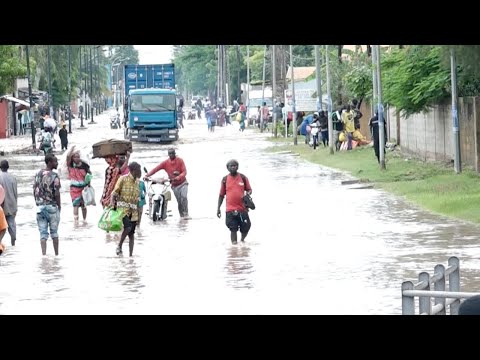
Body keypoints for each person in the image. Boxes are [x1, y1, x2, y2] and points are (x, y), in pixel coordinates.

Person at [145, 148, 189, 219]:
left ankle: (186, 214)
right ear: (168, 155)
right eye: (170, 153)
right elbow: (156, 169)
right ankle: (182, 217)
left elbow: (184, 172)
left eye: (173, 153)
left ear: (175, 153)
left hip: (183, 183)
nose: (171, 155)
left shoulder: (180, 161)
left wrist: (179, 177)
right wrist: (147, 175)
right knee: (179, 201)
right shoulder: (165, 163)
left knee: (184, 197)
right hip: (174, 185)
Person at [217, 159, 252, 245]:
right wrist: (218, 208)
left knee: (246, 227)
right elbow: (221, 195)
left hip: (242, 209)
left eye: (235, 165)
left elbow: (249, 189)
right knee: (233, 229)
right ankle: (234, 246)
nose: (233, 167)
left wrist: (248, 194)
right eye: (231, 166)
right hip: (230, 210)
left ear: (238, 167)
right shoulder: (225, 180)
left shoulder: (243, 178)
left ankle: (242, 240)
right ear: (227, 168)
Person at [110, 162, 141, 257]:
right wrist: (112, 205)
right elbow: (114, 193)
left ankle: (131, 257)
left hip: (133, 212)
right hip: (123, 210)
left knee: (131, 235)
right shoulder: (123, 179)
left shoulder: (137, 182)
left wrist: (139, 214)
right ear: (133, 171)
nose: (140, 172)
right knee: (127, 228)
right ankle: (119, 245)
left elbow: (137, 199)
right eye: (138, 170)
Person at [33, 153, 61, 256]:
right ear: (49, 162)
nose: (57, 163)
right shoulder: (54, 176)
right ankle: (56, 255)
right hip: (52, 207)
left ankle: (44, 256)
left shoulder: (38, 174)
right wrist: (59, 207)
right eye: (55, 161)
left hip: (40, 207)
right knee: (54, 233)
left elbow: (34, 190)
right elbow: (57, 193)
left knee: (43, 234)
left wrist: (38, 203)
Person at [66, 147, 92, 222]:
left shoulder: (84, 165)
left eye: (78, 157)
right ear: (72, 158)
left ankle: (84, 220)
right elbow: (67, 157)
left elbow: (89, 175)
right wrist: (71, 150)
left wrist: (89, 183)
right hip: (74, 189)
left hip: (83, 188)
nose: (76, 158)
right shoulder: (71, 165)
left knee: (84, 206)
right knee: (75, 205)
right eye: (75, 157)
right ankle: (76, 222)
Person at [0, 160, 18, 246]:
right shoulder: (13, 178)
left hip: (1, 207)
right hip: (11, 206)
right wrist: (15, 206)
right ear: (8, 167)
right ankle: (13, 244)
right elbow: (15, 193)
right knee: (12, 226)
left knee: (1, 227)